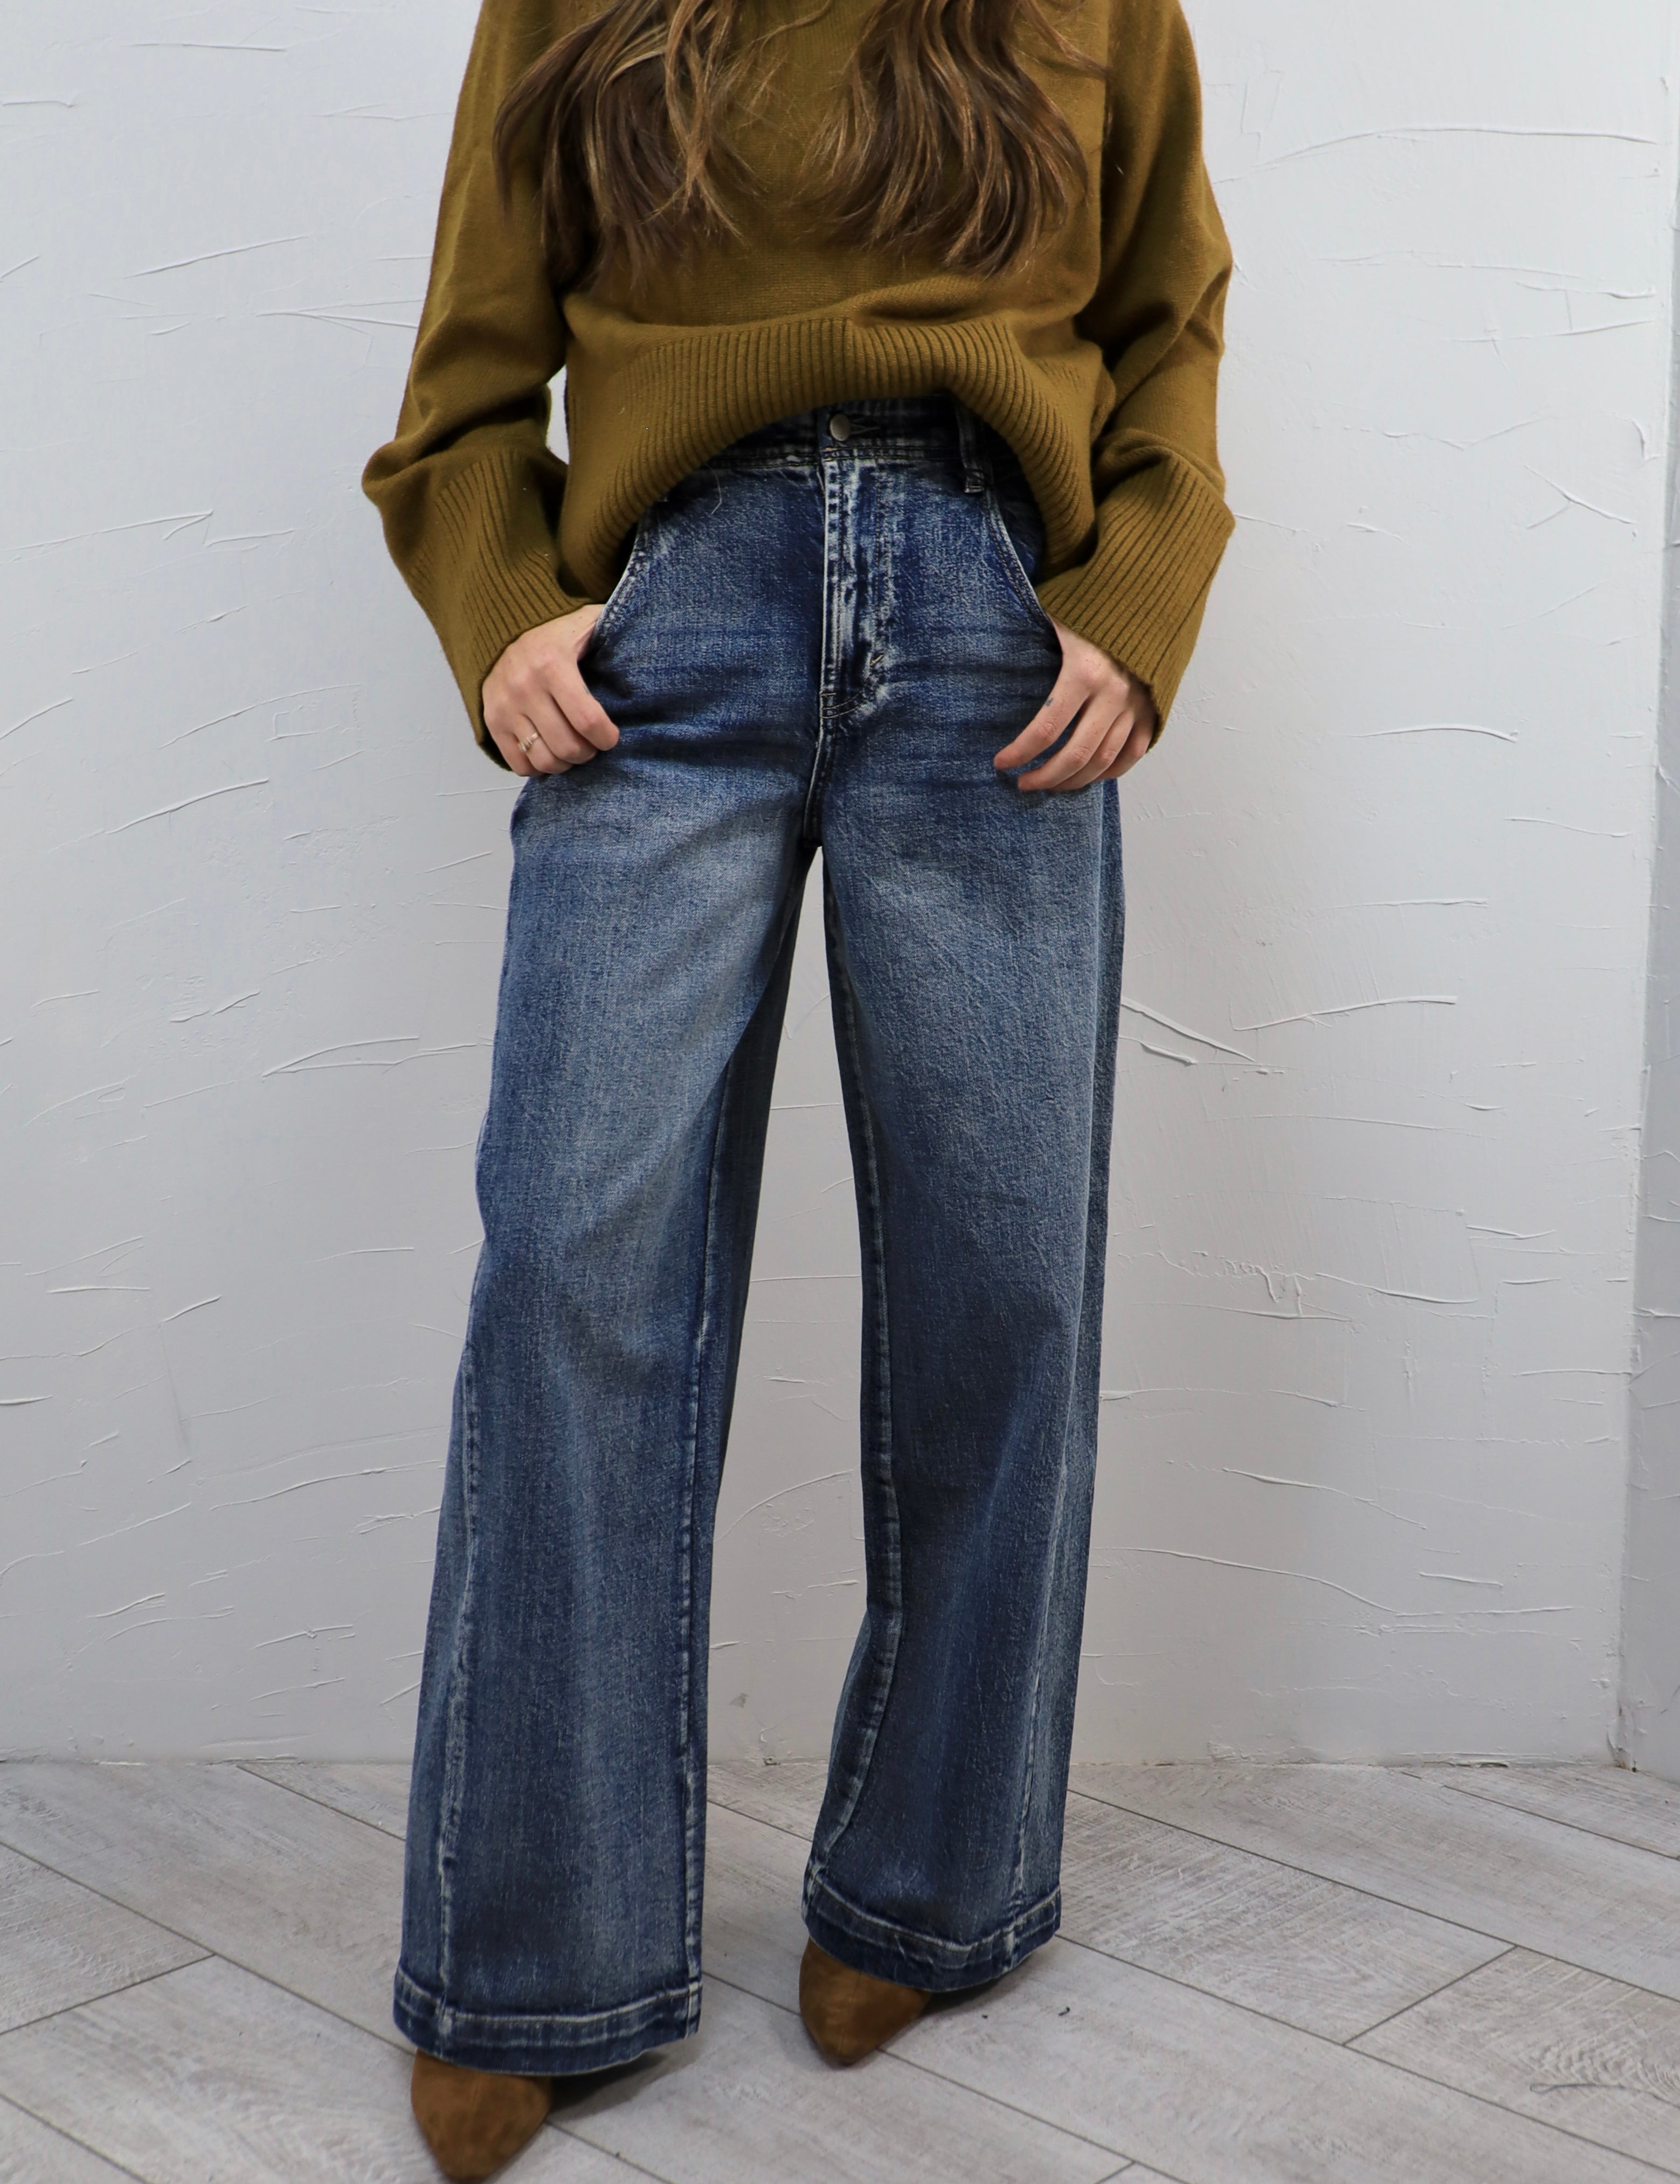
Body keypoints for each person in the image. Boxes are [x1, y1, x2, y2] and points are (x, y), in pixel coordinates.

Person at [364, 0, 1231, 2168]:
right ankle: (535, 1952)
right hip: (674, 627)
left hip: (992, 633)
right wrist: (502, 602)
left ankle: (934, 1884)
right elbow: (464, 382)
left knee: (1003, 1274)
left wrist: (1137, 596)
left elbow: (1168, 315)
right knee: (570, 1262)